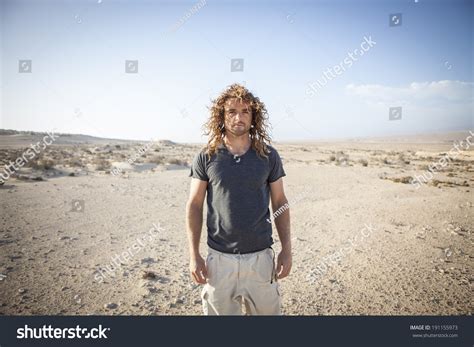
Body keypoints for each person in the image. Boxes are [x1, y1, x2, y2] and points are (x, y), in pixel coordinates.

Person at [185, 83, 292, 315]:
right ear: (221, 117)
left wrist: (286, 249)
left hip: (260, 259)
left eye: (245, 111)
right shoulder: (207, 156)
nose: (238, 117)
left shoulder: (268, 156)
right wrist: (194, 255)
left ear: (254, 117)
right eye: (231, 112)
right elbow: (194, 204)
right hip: (219, 261)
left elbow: (280, 202)